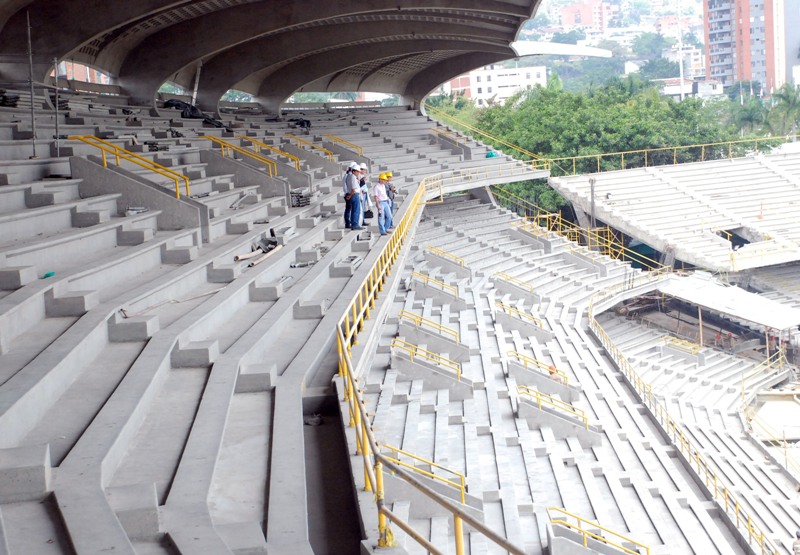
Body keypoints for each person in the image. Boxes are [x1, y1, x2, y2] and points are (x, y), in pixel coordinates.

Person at [345, 164, 362, 230]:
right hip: (354, 195)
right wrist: (350, 195)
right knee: (356, 210)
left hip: (351, 194)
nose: (358, 173)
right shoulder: (353, 177)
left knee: (353, 210)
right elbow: (354, 189)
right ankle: (355, 224)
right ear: (353, 171)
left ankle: (353, 224)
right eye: (357, 171)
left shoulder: (348, 176)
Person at [342, 161, 359, 229]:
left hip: (349, 193)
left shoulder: (349, 175)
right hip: (350, 194)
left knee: (350, 209)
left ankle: (349, 223)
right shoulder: (351, 176)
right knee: (352, 210)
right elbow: (350, 187)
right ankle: (350, 223)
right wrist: (349, 194)